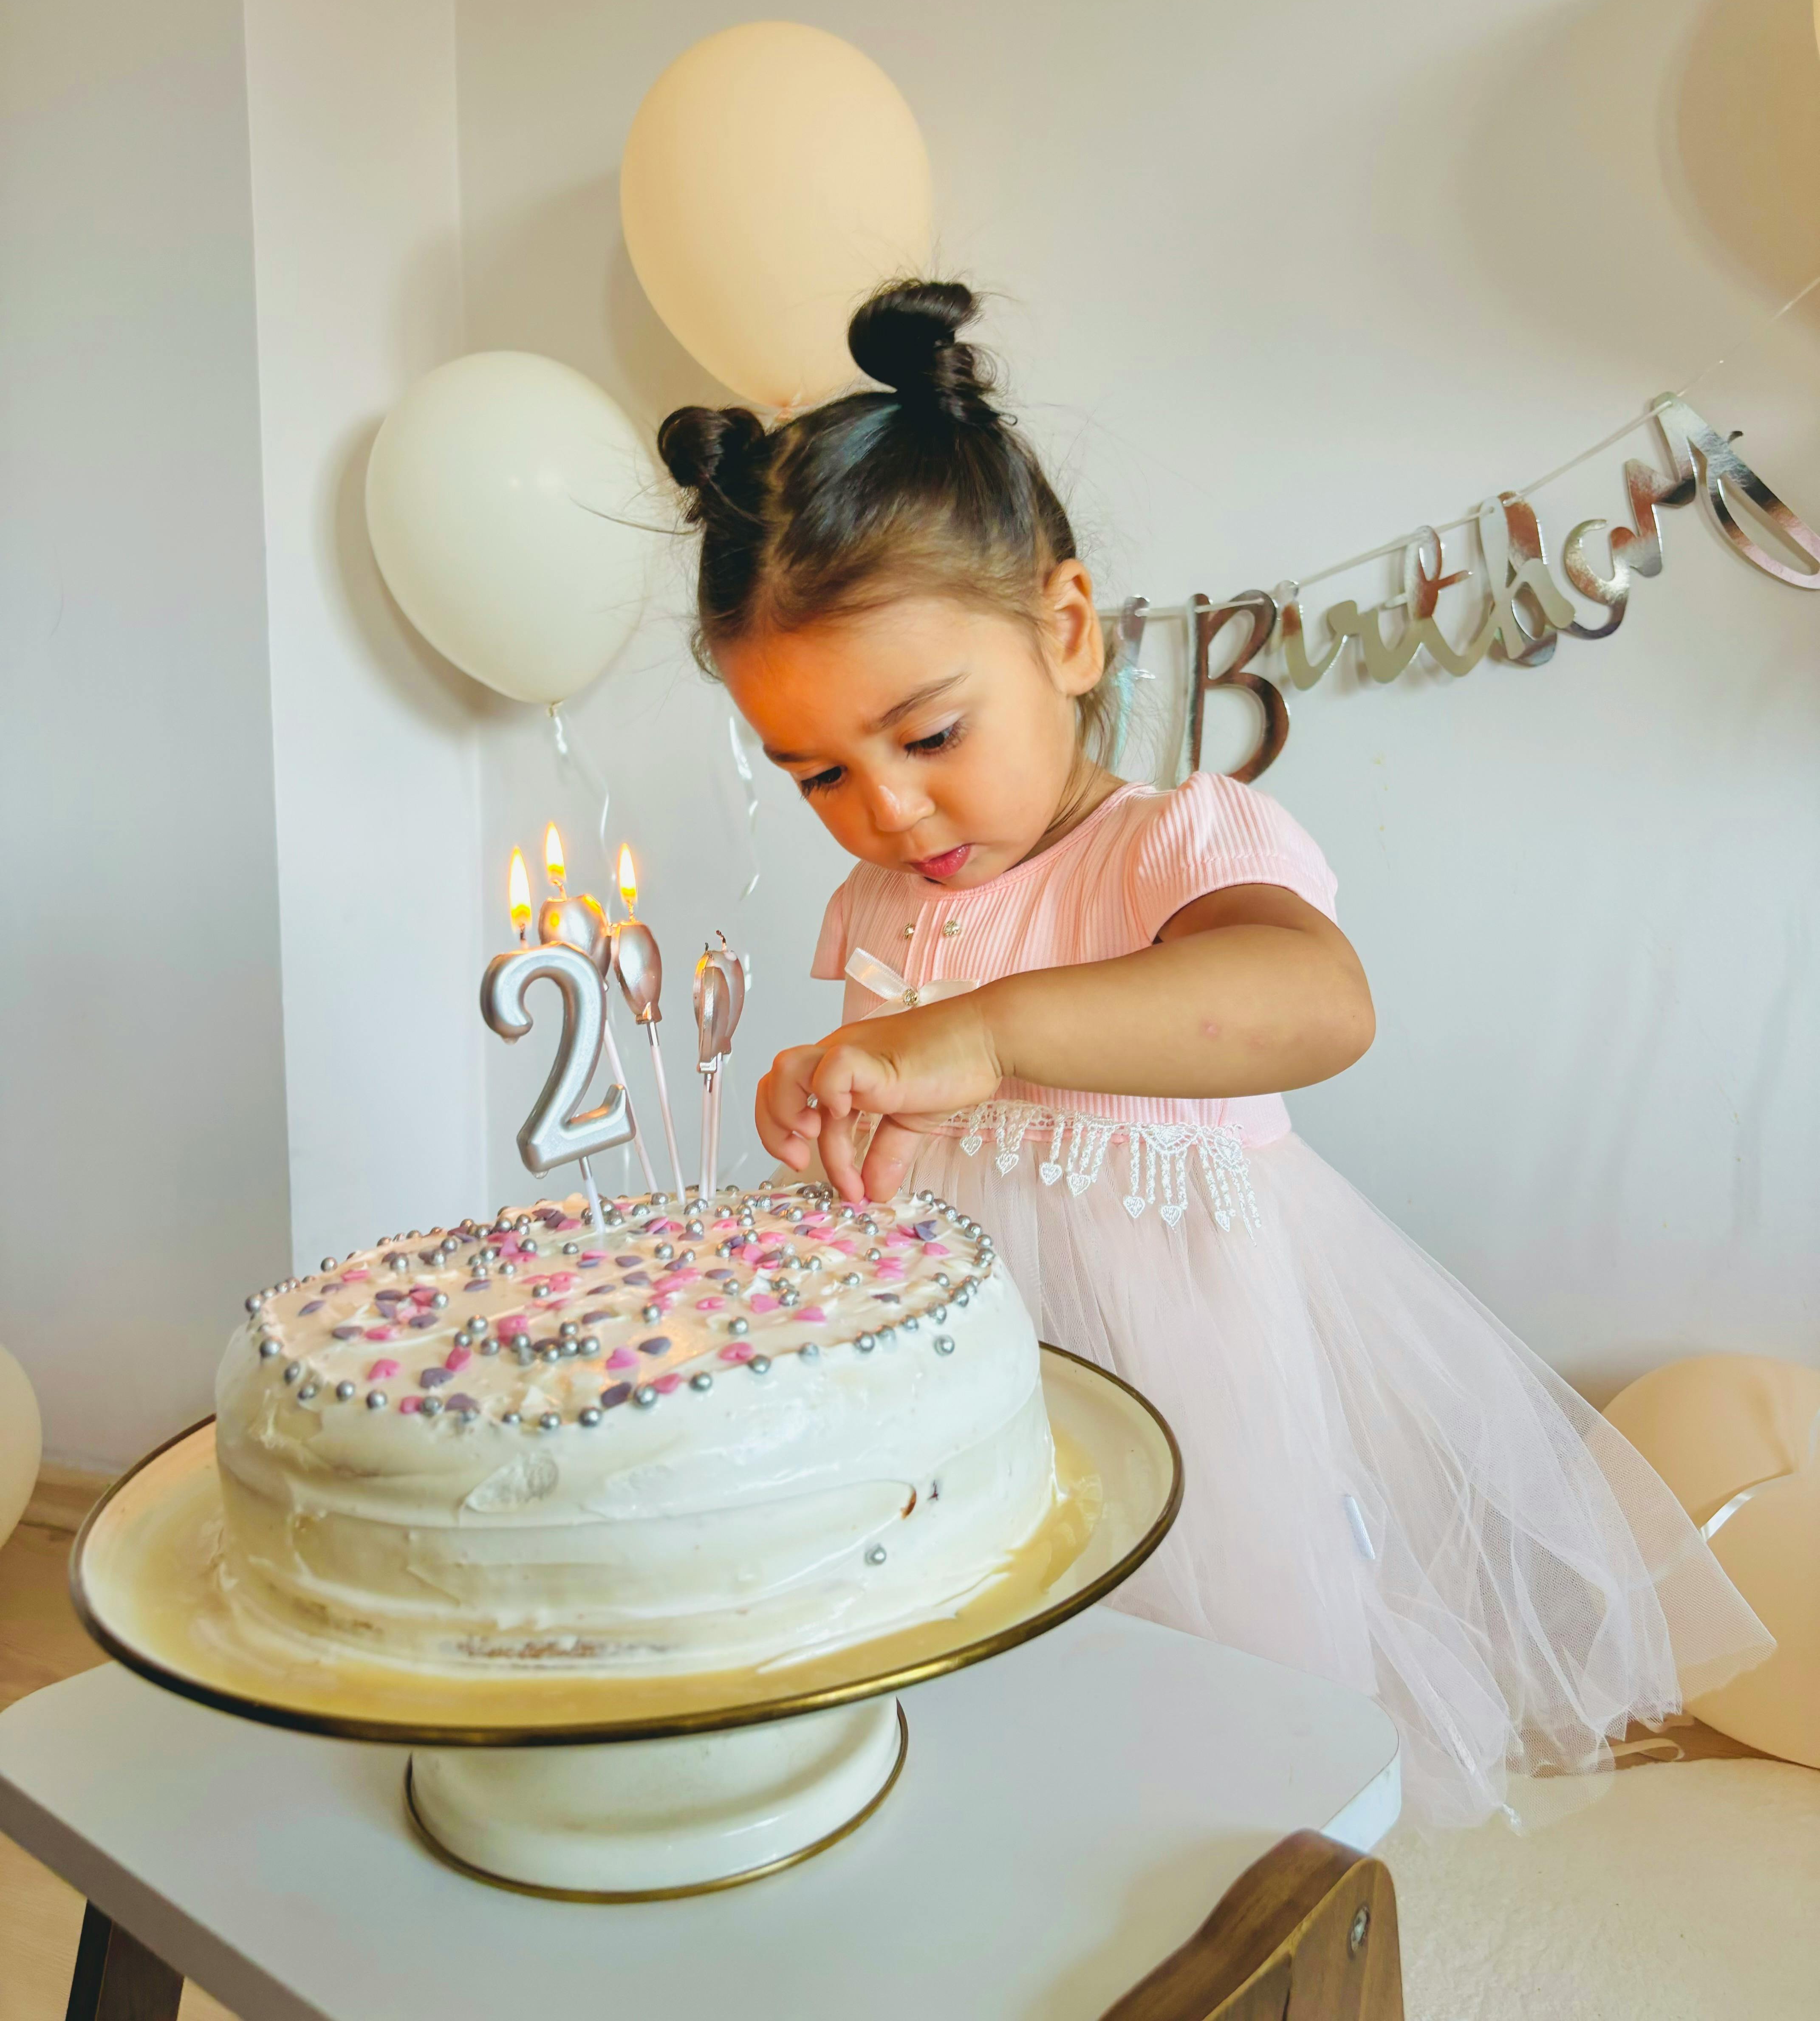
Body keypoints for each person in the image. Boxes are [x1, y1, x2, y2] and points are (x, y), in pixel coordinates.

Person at [657, 277, 1769, 1827]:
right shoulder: (884, 901)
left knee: (1205, 1741)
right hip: (965, 1377)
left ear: (1060, 627)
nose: (887, 813)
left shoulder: (1172, 846)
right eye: (815, 774)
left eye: (925, 736)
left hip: (1180, 1391)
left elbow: (1315, 1003)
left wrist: (977, 1039)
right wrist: (843, 1093)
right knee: (969, 1705)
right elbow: (911, 1113)